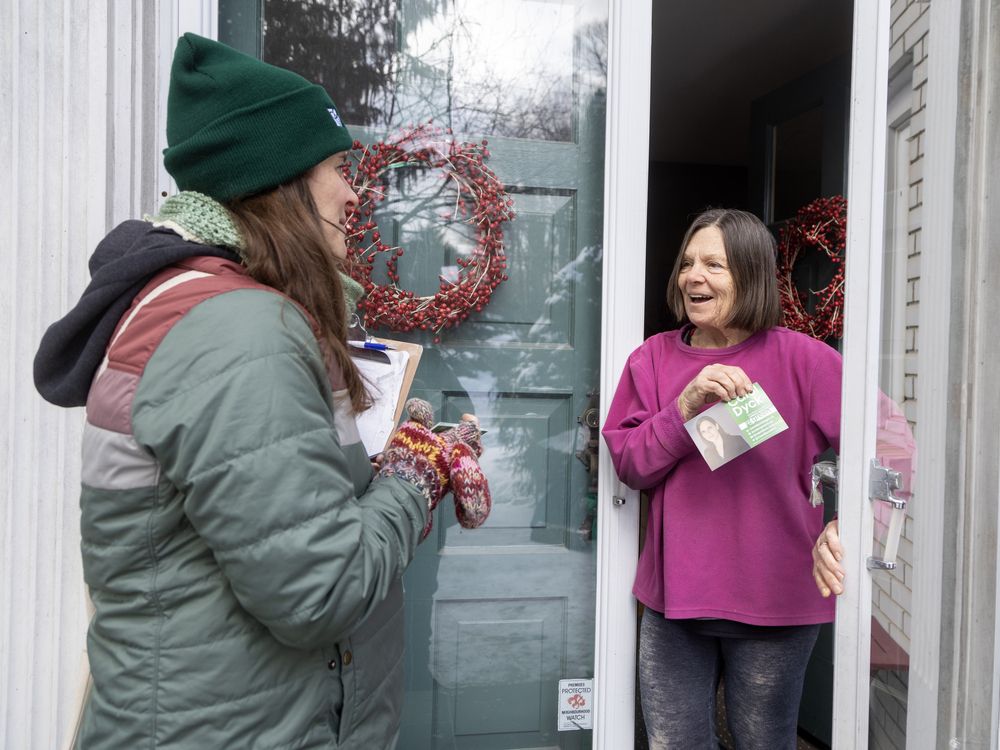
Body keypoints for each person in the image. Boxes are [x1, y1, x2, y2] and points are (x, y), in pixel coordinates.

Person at [32, 33, 484, 749]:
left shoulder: (217, 309)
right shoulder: (239, 330)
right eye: (337, 167)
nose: (353, 190)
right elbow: (318, 591)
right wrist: (412, 475)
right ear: (279, 178)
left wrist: (385, 447)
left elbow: (282, 514)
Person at [602, 208, 843, 748]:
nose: (693, 276)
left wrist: (847, 524)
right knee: (674, 742)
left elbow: (889, 443)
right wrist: (684, 407)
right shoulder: (652, 360)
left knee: (763, 741)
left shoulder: (805, 360)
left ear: (752, 274)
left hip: (775, 603)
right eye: (688, 263)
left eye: (714, 264)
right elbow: (631, 464)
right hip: (673, 604)